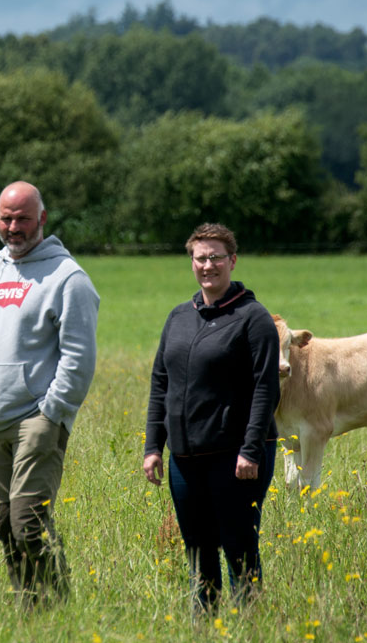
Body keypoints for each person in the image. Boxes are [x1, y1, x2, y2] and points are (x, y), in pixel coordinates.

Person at [0, 181, 99, 607]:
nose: (13, 227)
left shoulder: (68, 278)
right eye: (5, 217)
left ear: (42, 219)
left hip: (35, 422)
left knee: (29, 523)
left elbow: (79, 357)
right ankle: (29, 608)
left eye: (22, 218)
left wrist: (52, 412)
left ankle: (59, 607)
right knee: (5, 526)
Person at [142, 222, 280, 613]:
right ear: (191, 262)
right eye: (200, 258)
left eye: (216, 257)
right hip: (184, 460)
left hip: (236, 458)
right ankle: (206, 625)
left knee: (239, 547)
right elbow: (160, 384)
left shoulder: (253, 319)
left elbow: (266, 390)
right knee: (198, 550)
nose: (208, 265)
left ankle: (250, 626)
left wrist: (251, 450)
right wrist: (154, 446)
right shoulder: (178, 318)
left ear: (232, 261)